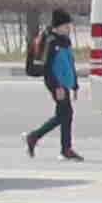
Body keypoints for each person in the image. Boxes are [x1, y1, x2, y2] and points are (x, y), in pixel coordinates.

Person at [20, 17, 81, 160]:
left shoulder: (65, 41)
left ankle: (62, 148)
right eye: (66, 26)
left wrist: (75, 85)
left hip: (64, 84)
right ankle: (36, 138)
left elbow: (69, 63)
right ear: (57, 26)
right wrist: (57, 87)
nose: (69, 29)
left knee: (65, 115)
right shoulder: (52, 42)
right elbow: (48, 69)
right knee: (65, 114)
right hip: (56, 84)